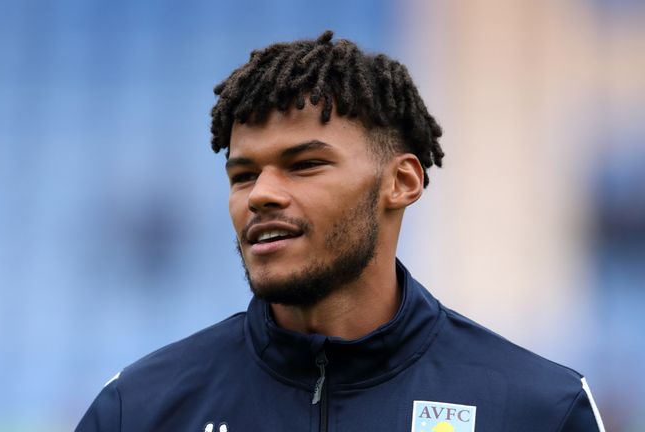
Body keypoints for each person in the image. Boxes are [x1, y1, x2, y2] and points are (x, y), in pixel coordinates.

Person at [76, 31, 605, 432]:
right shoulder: (140, 409)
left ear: (401, 181)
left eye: (304, 165)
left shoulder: (537, 408)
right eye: (243, 175)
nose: (260, 194)